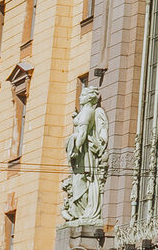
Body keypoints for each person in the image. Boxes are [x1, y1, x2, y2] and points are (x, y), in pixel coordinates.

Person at [61, 86, 109, 225]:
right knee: (78, 180)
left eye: (83, 95)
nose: (80, 97)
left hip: (84, 152)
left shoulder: (88, 111)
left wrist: (74, 151)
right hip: (82, 151)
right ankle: (80, 212)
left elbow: (82, 134)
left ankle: (83, 211)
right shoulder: (84, 111)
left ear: (89, 98)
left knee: (81, 181)